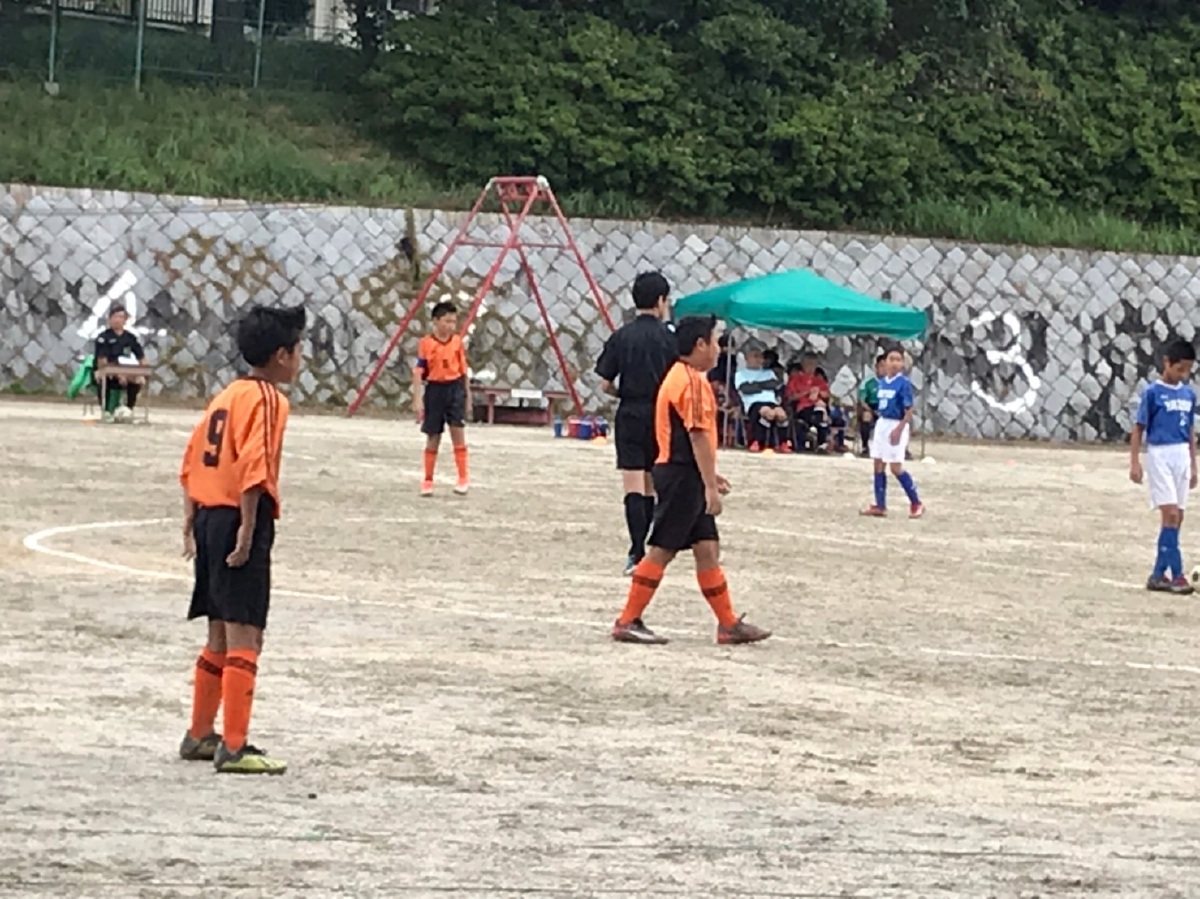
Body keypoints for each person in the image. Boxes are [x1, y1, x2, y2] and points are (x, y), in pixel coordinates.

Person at [178, 304, 306, 775]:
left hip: (209, 514)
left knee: (218, 628)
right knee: (246, 632)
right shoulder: (269, 400)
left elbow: (191, 457)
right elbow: (255, 467)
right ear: (281, 355)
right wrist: (249, 530)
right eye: (298, 350)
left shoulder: (227, 395)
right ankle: (234, 745)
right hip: (238, 516)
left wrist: (190, 520)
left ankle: (199, 734)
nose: (300, 359)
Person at [611, 315, 772, 647]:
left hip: (684, 471)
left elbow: (692, 437)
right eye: (714, 342)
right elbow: (697, 435)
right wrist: (709, 487)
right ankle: (627, 620)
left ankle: (728, 623)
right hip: (681, 474)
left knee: (707, 547)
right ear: (700, 345)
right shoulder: (692, 382)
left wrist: (709, 473)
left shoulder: (679, 376)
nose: (718, 349)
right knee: (662, 549)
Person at [595, 271, 677, 574]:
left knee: (632, 484)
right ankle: (651, 553)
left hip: (629, 412)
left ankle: (635, 550)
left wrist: (624, 393)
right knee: (652, 485)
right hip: (660, 415)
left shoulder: (621, 336)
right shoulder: (670, 338)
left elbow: (605, 383)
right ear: (661, 300)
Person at [1129, 338, 1198, 595]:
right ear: (1167, 363)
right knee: (1169, 514)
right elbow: (1139, 428)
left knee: (1177, 517)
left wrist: (1193, 465)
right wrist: (1135, 461)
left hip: (1181, 455)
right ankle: (1177, 575)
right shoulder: (1152, 393)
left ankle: (1158, 574)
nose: (1183, 375)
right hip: (1160, 454)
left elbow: (1189, 432)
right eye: (1180, 369)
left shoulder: (1188, 394)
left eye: (1188, 370)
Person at [413, 301, 471, 497]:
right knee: (433, 436)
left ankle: (462, 478)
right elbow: (419, 371)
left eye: (454, 322)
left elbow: (463, 371)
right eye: (447, 321)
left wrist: (467, 396)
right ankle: (428, 480)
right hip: (435, 390)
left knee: (458, 432)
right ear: (436, 321)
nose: (451, 326)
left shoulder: (457, 342)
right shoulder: (426, 343)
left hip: (454, 388)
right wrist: (417, 399)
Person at [860, 345, 924, 519]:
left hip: (896, 423)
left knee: (895, 467)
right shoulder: (882, 383)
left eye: (898, 360)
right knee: (878, 463)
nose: (895, 363)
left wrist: (899, 429)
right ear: (885, 362)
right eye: (891, 359)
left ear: (903, 363)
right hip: (883, 423)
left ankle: (916, 502)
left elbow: (909, 410)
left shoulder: (903, 383)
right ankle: (880, 505)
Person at [734, 346, 791, 453]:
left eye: (760, 357)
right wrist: (764, 385)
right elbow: (746, 389)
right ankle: (756, 441)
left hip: (771, 401)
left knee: (781, 414)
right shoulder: (740, 374)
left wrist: (755, 385)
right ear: (747, 358)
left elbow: (774, 384)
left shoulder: (769, 373)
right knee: (767, 413)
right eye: (755, 356)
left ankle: (783, 442)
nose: (758, 360)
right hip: (754, 403)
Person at [93, 305, 147, 415]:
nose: (118, 320)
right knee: (104, 377)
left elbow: (141, 358)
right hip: (108, 371)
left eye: (121, 317)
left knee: (137, 380)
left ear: (125, 320)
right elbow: (102, 361)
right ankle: (106, 410)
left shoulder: (130, 338)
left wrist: (142, 373)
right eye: (115, 316)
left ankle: (128, 409)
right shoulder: (103, 337)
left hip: (127, 371)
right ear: (110, 319)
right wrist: (118, 374)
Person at [786, 353, 831, 452]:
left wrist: (818, 391)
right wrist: (807, 392)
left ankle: (821, 442)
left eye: (813, 364)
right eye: (808, 364)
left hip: (817, 406)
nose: (811, 367)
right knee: (815, 416)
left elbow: (827, 394)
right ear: (803, 364)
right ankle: (815, 434)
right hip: (802, 408)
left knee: (820, 410)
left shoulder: (819, 380)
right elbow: (790, 397)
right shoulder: (795, 379)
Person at [857, 353, 886, 456]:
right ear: (876, 367)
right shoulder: (868, 382)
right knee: (866, 416)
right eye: (882, 366)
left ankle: (902, 449)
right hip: (871, 407)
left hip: (887, 408)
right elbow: (862, 401)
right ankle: (865, 447)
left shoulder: (892, 383)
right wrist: (872, 411)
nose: (884, 369)